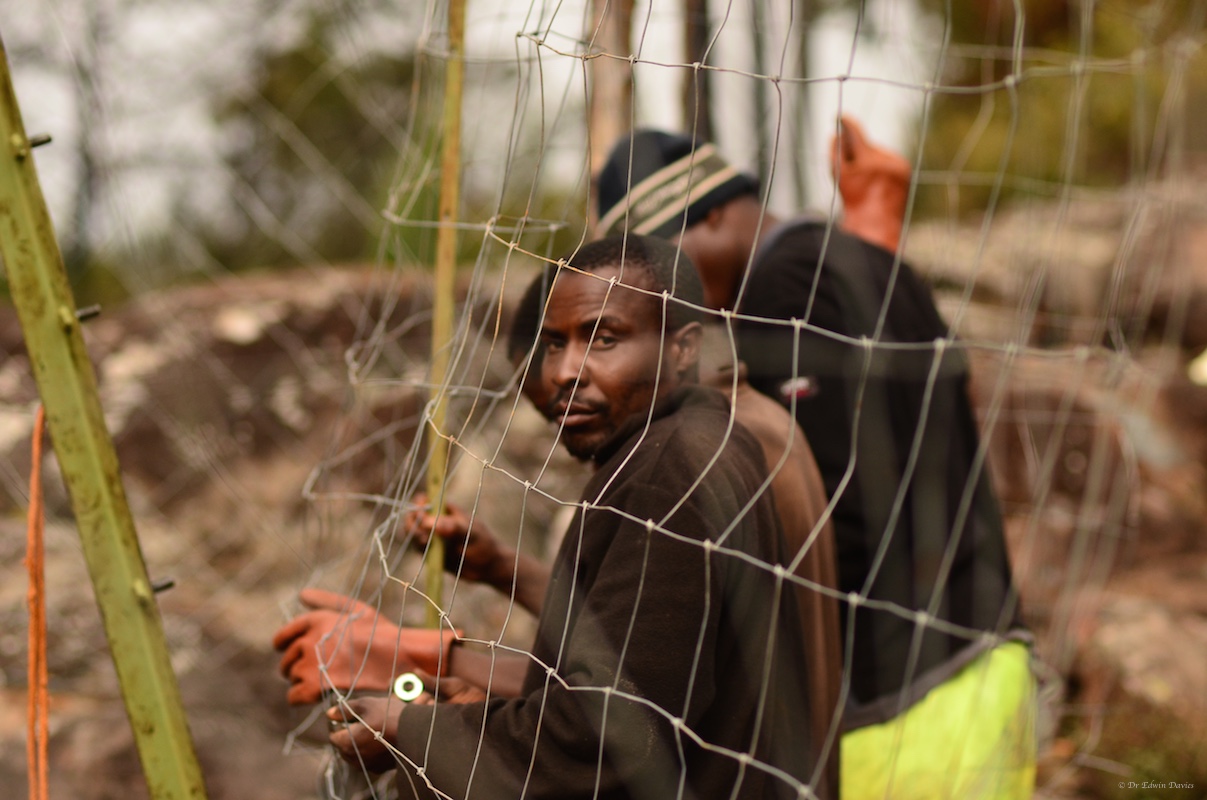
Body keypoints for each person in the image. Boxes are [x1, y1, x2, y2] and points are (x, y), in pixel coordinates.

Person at [277, 235, 835, 800]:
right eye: (554, 344)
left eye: (604, 338)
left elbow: (611, 730)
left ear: (682, 347)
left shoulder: (672, 470)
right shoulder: (699, 438)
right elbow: (635, 655)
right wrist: (497, 575)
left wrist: (415, 727)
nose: (566, 372)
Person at [595, 122, 1036, 799]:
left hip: (907, 712)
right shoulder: (864, 261)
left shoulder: (783, 296)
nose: (670, 297)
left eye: (664, 269)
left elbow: (836, 505)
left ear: (711, 212)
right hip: (984, 662)